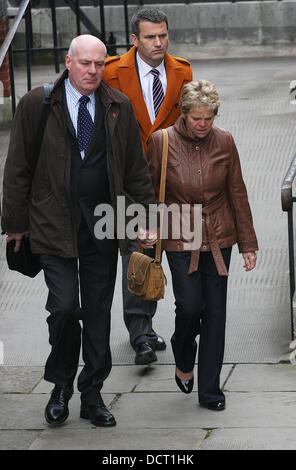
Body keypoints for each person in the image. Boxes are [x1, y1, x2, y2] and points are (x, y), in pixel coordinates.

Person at [1, 35, 157, 427]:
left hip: (104, 225)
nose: (92, 71)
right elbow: (16, 169)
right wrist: (15, 225)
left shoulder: (118, 106)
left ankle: (92, 393)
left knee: (100, 313)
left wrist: (145, 220)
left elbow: (137, 172)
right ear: (68, 62)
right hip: (52, 224)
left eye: (99, 64)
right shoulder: (38, 104)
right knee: (66, 307)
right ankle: (60, 385)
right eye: (85, 63)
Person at [147, 80, 258, 411]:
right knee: (190, 306)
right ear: (185, 113)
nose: (203, 124)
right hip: (181, 235)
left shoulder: (224, 141)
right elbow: (148, 189)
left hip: (220, 234)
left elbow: (237, 190)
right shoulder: (161, 141)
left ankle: (210, 390)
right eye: (197, 118)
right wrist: (144, 229)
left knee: (216, 313)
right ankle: (184, 351)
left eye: (209, 118)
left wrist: (247, 244)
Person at [103, 8, 193, 365]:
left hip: (170, 181)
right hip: (128, 181)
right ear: (134, 40)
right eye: (151, 37)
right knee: (137, 253)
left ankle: (155, 327)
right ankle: (140, 332)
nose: (159, 43)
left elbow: (185, 126)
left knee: (175, 253)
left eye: (163, 35)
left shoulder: (182, 70)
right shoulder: (111, 72)